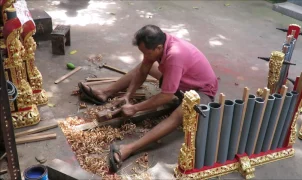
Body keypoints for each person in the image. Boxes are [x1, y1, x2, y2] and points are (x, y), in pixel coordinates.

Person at [78, 24, 218, 172]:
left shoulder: (175, 56)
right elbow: (144, 68)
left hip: (202, 92)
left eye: (146, 52)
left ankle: (129, 149)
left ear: (158, 48)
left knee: (178, 115)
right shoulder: (160, 41)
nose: (145, 56)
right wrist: (128, 96)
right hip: (183, 83)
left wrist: (135, 108)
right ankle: (104, 93)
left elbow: (166, 96)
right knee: (145, 65)